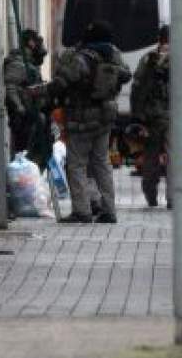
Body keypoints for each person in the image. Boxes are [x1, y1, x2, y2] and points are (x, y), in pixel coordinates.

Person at [49, 19, 130, 223]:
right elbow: (126, 75)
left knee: (76, 164)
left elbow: (61, 83)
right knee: (102, 163)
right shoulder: (114, 55)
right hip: (105, 117)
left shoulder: (80, 58)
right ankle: (109, 210)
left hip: (80, 119)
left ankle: (82, 210)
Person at [130, 25, 182, 208]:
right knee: (175, 157)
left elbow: (137, 87)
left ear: (159, 39)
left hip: (152, 117)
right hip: (177, 116)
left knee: (151, 157)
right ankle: (173, 198)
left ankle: (150, 195)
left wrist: (137, 115)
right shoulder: (181, 59)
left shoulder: (148, 59)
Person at [4, 28, 51, 168]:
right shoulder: (19, 63)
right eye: (38, 42)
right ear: (30, 43)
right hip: (24, 120)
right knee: (25, 156)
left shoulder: (29, 64)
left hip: (32, 117)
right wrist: (21, 109)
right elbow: (11, 88)